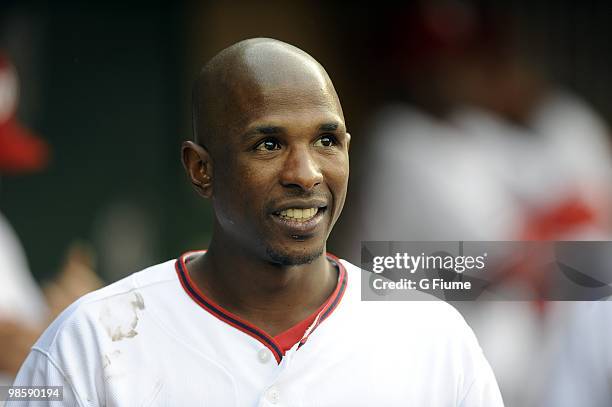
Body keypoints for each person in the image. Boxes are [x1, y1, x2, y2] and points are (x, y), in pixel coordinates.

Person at [9, 38, 503, 406]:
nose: (306, 174)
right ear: (201, 169)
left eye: (326, 141)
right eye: (268, 145)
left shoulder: (432, 338)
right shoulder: (90, 341)